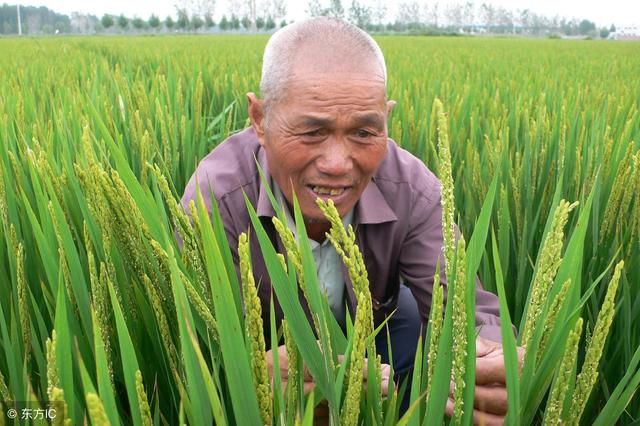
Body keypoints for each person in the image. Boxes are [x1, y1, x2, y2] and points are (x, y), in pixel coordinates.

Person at [181, 16, 521, 425]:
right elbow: (203, 342)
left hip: (378, 333)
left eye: (363, 132)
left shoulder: (414, 189)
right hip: (278, 366)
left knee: (411, 317)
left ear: (385, 118)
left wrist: (492, 358)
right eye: (312, 132)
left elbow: (465, 308)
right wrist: (247, 374)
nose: (338, 165)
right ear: (259, 118)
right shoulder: (216, 202)